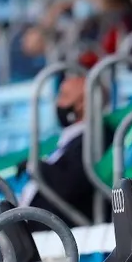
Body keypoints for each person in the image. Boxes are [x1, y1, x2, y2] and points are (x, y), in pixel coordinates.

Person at [16, 73, 112, 232]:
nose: (58, 103)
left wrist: (35, 166)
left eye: (64, 96)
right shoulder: (74, 138)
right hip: (39, 225)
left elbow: (69, 185)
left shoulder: (96, 138)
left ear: (83, 103)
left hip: (58, 230)